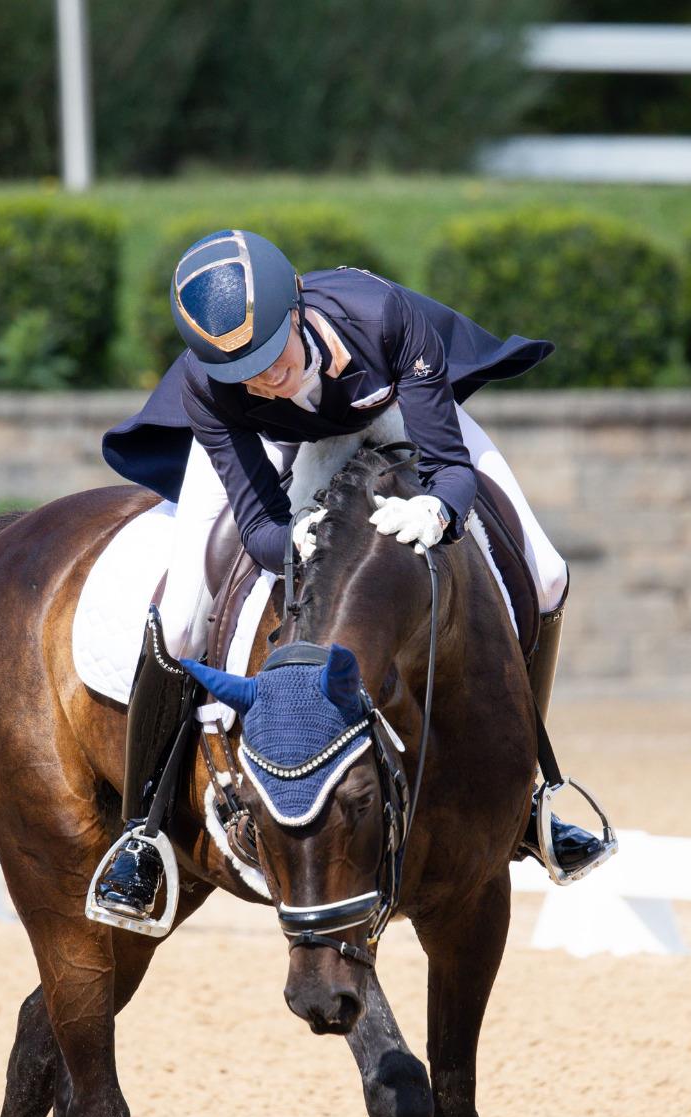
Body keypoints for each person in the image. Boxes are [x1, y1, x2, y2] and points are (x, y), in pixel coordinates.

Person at [90, 229, 614, 929]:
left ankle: (529, 799)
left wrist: (438, 507)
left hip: (397, 409)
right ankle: (144, 831)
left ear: (298, 311)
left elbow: (450, 466)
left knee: (547, 573)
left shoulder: (384, 318)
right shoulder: (214, 385)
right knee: (179, 616)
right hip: (279, 445)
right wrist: (291, 541)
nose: (263, 378)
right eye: (240, 368)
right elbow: (259, 523)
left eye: (270, 355)